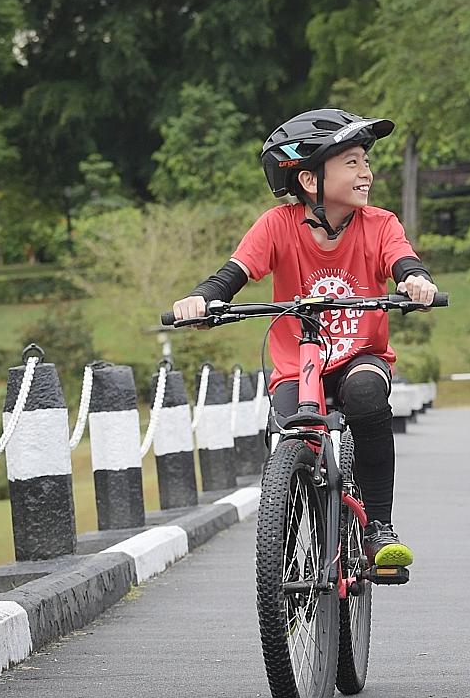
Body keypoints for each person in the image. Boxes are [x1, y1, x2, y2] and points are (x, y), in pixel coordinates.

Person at [171, 108, 439, 569]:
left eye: (366, 162)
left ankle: (378, 528)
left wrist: (415, 280)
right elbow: (234, 273)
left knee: (366, 392)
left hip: (361, 357)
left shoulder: (380, 224)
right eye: (352, 163)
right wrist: (202, 299)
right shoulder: (277, 225)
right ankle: (286, 549)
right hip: (301, 365)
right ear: (310, 180)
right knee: (289, 431)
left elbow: (402, 260)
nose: (366, 173)